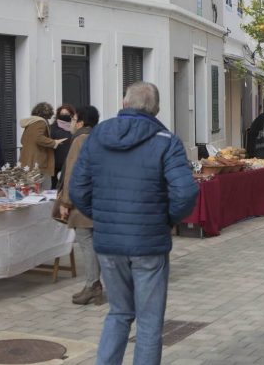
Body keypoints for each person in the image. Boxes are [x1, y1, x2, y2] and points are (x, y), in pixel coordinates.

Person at [69, 82, 198, 365]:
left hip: (109, 243)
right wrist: (166, 219)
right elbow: (186, 191)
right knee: (150, 323)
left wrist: (103, 216)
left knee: (119, 312)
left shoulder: (97, 135)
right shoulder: (166, 140)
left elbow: (77, 189)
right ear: (156, 109)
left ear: (124, 104)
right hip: (148, 244)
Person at [58, 106, 102, 305]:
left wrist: (65, 201)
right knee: (93, 241)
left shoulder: (80, 139)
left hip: (82, 199)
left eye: (74, 118)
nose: (71, 122)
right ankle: (93, 284)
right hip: (97, 198)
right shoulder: (99, 137)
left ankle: (93, 285)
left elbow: (72, 174)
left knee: (86, 240)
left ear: (81, 122)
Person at [19, 102, 67, 190]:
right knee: (43, 189)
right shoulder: (40, 122)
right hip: (38, 161)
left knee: (31, 188)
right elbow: (38, 138)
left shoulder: (31, 123)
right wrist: (54, 142)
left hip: (29, 159)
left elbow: (23, 140)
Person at [50, 104, 75, 189]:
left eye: (67, 114)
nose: (64, 116)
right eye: (62, 114)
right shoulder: (53, 127)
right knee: (55, 186)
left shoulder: (75, 127)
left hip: (70, 161)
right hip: (56, 162)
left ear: (71, 114)